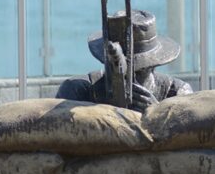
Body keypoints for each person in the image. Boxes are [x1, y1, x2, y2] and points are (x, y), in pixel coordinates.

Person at [56, 9, 192, 113]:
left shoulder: (176, 92)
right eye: (113, 67)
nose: (126, 78)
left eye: (138, 71)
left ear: (152, 66)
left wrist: (158, 112)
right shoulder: (78, 91)